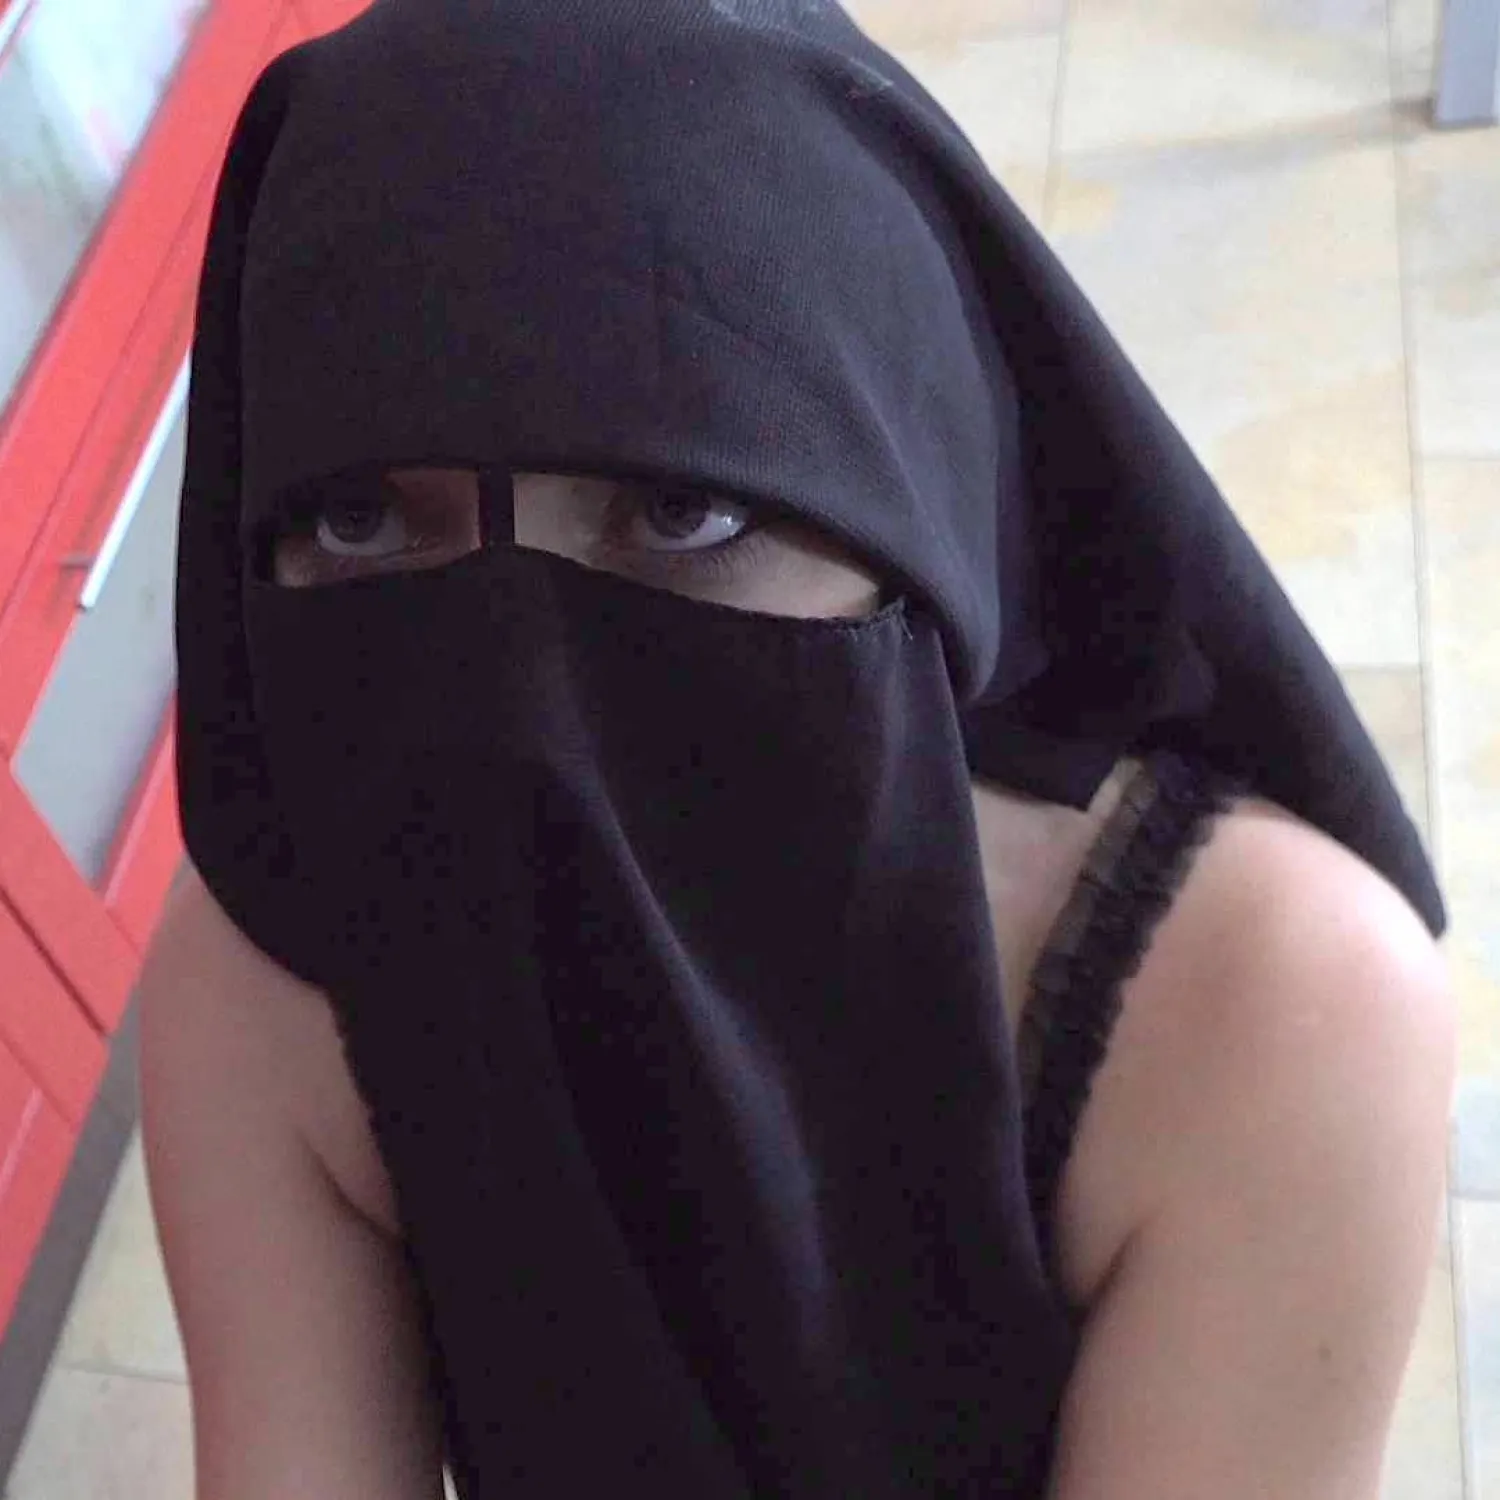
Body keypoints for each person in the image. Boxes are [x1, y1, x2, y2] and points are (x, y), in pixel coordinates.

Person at [142, 1, 1456, 1496]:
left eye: (680, 510)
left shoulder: (1272, 1014)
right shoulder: (272, 976)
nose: (522, 686)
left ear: (908, 489)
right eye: (366, 521)